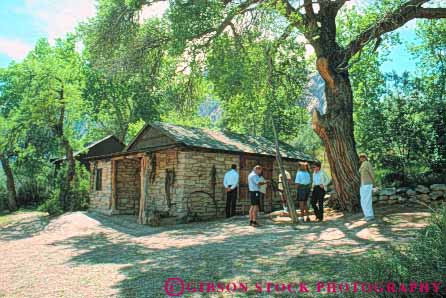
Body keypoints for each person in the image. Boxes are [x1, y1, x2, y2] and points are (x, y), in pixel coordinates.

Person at [359, 153, 375, 221]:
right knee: (363, 200)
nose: (361, 158)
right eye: (360, 157)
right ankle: (366, 215)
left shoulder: (367, 163)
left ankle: (370, 215)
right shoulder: (362, 164)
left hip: (368, 184)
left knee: (367, 200)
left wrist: (374, 183)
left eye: (363, 157)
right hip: (363, 184)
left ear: (365, 157)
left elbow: (371, 173)